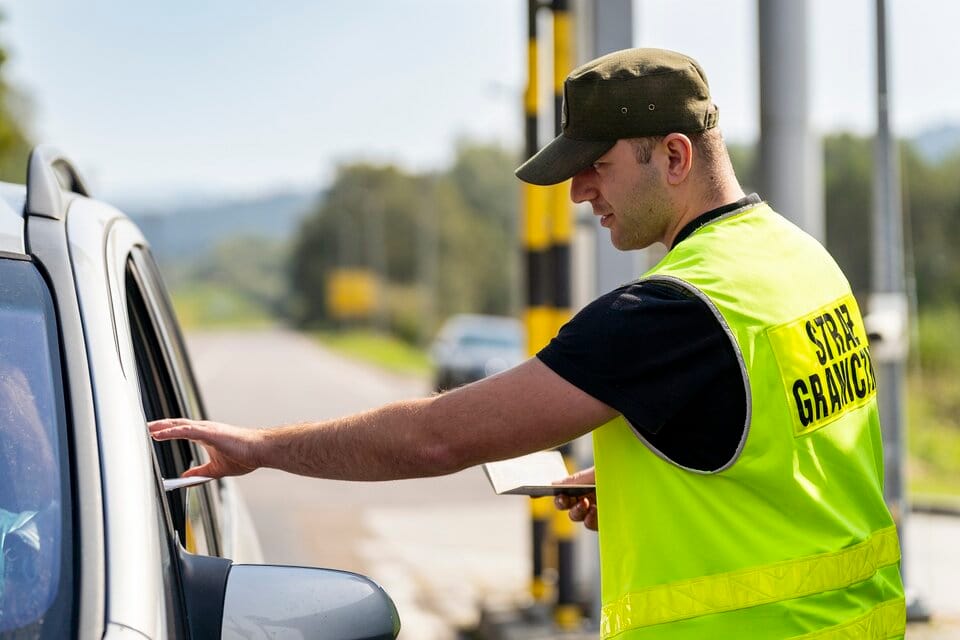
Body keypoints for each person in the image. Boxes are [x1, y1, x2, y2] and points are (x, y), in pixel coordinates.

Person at [150, 48, 905, 638]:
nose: (579, 194)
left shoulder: (672, 310)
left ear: (675, 157)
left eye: (597, 166)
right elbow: (792, 454)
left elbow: (437, 438)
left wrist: (261, 447)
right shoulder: (802, 261)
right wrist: (655, 485)